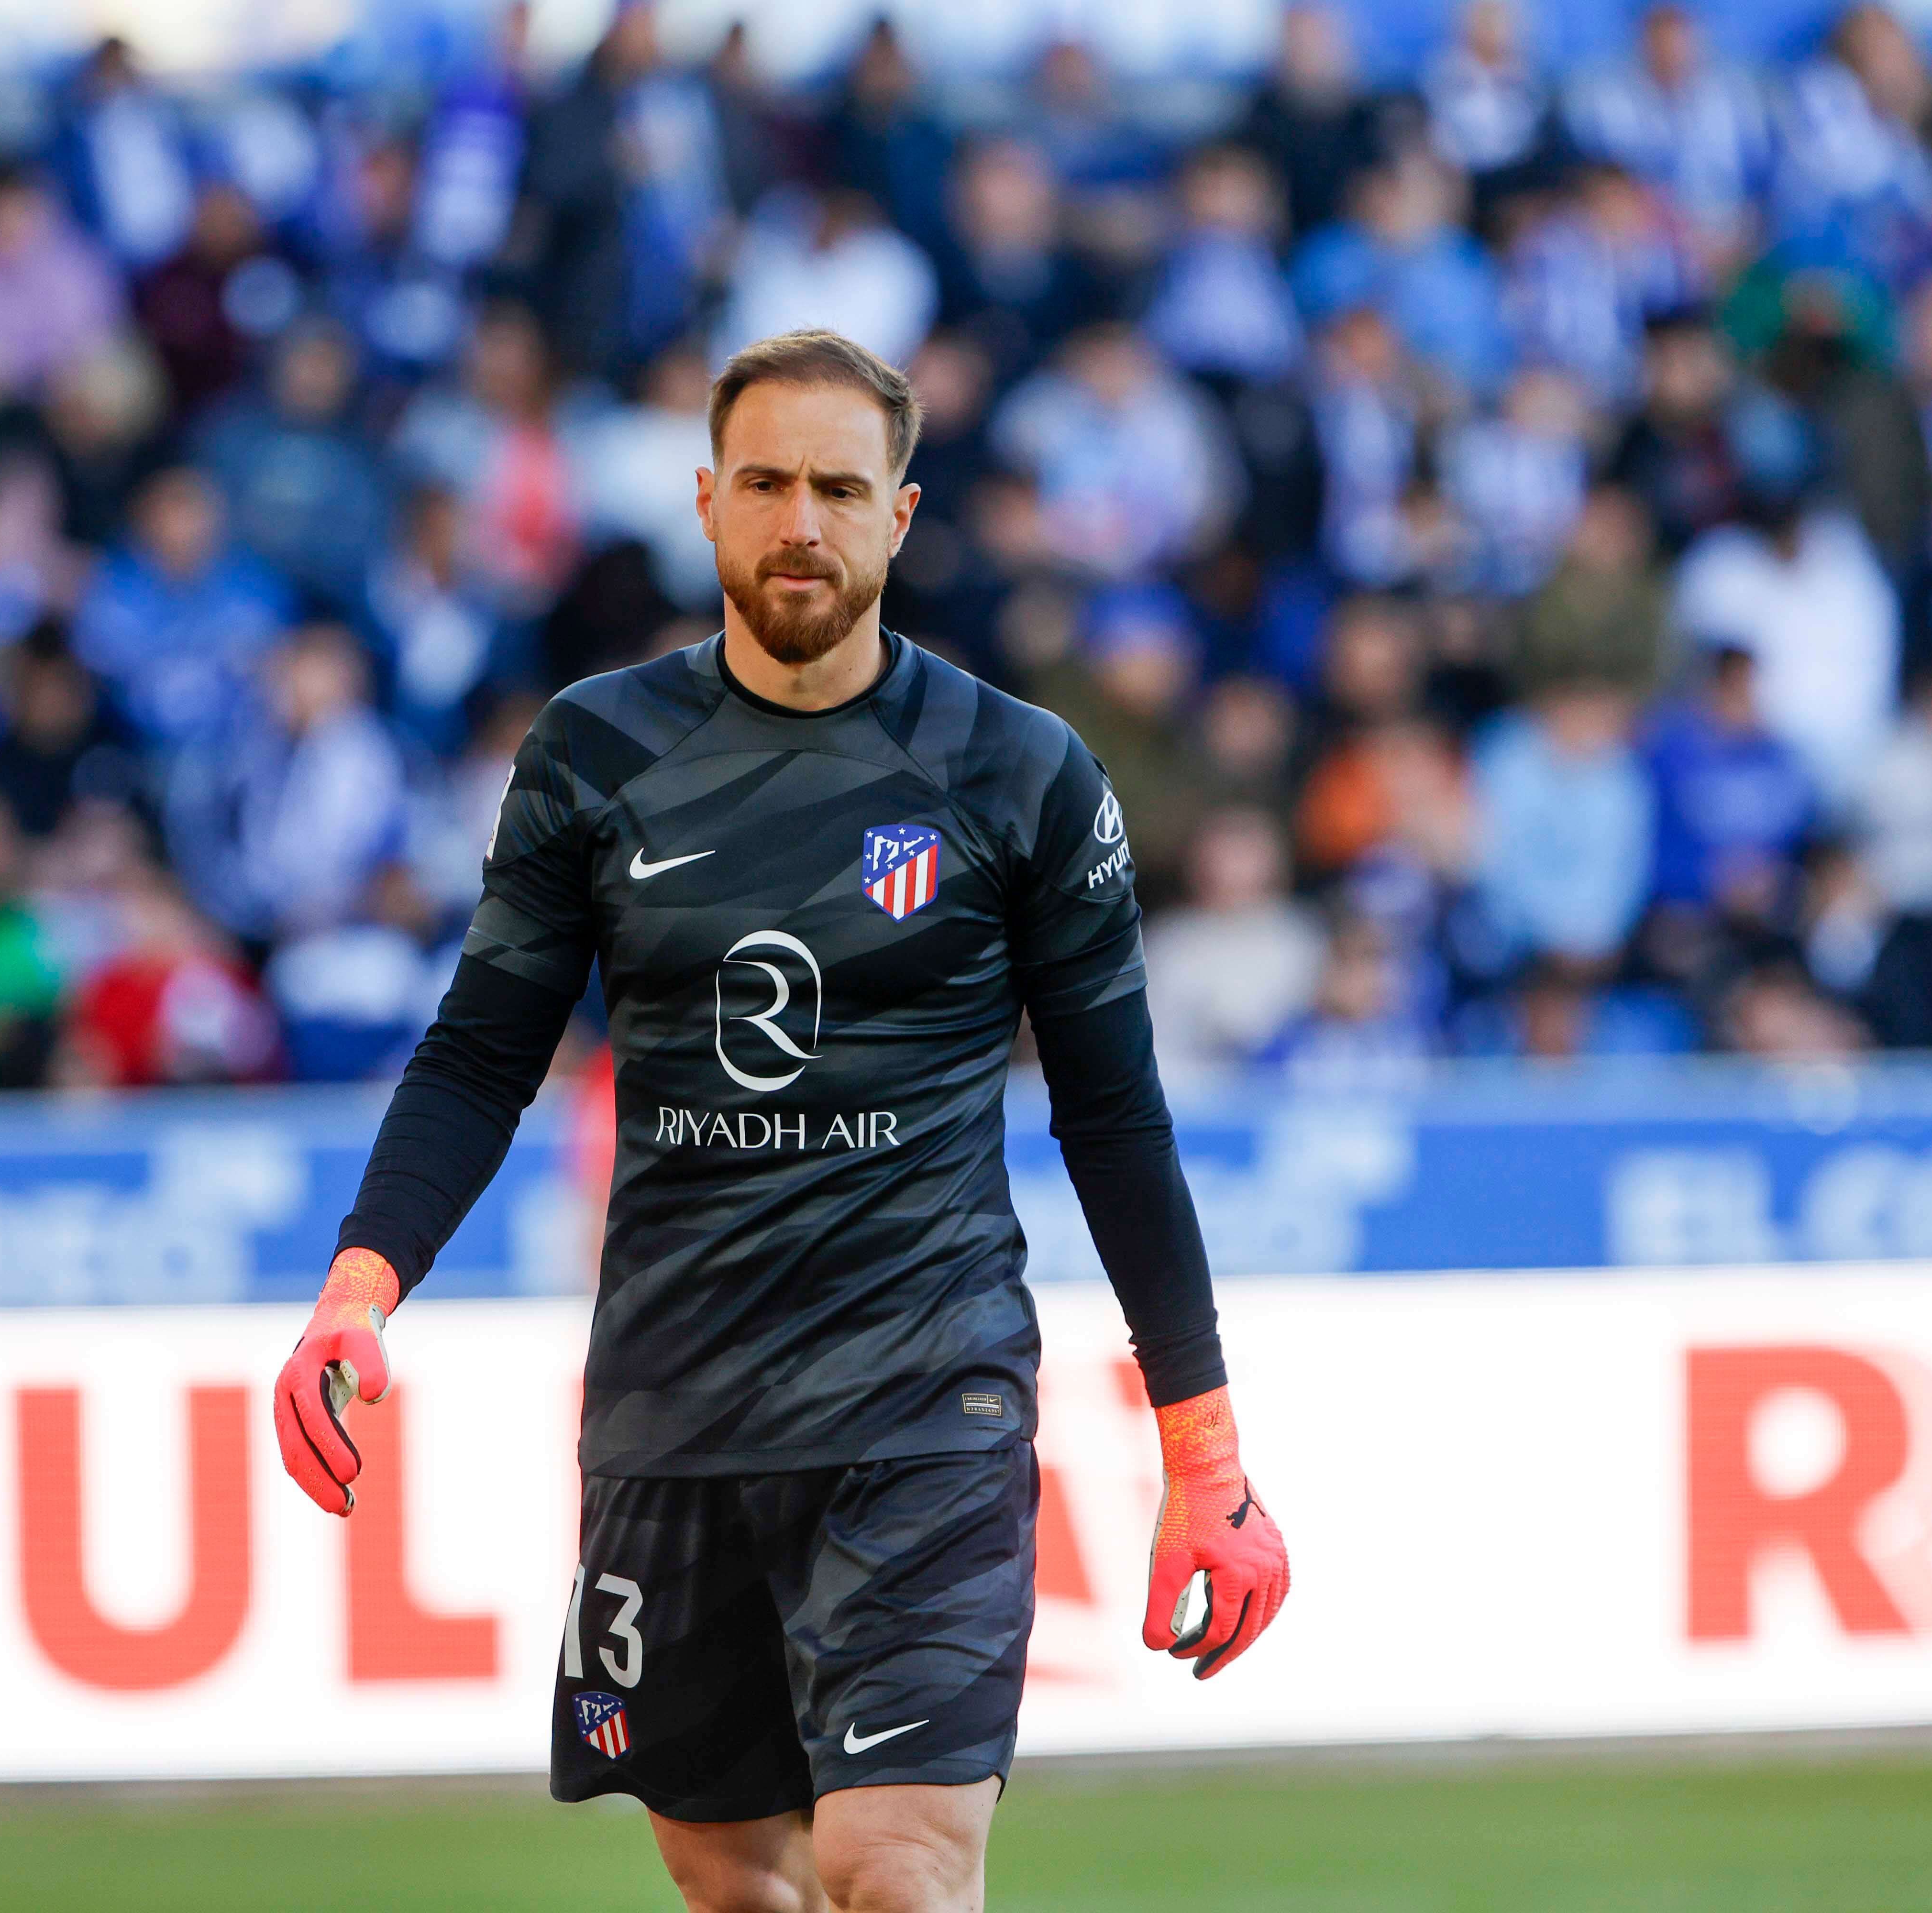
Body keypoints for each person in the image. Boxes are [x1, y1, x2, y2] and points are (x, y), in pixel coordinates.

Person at [271, 330, 1287, 1913]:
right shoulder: (595, 756)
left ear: (900, 513)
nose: (799, 521)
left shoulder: (1022, 776)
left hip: (924, 1405)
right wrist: (361, 1284)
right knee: (746, 1894)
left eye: (837, 487)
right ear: (706, 502)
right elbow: (480, 1056)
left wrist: (1204, 1455)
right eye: (765, 483)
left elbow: (1117, 1120)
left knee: (897, 1875)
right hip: (674, 1416)